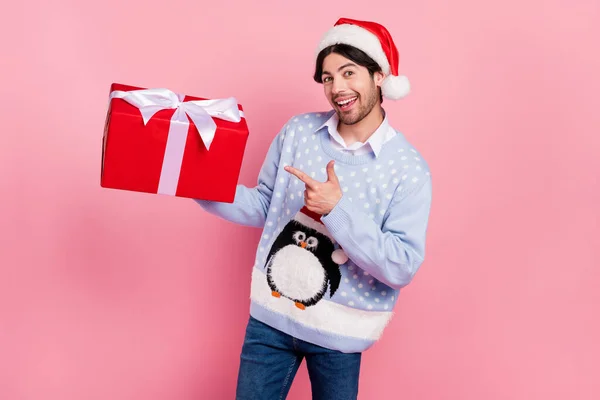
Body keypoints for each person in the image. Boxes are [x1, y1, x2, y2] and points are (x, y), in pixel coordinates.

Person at [196, 17, 432, 400]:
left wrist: (335, 209)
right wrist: (197, 185)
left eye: (348, 73)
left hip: (340, 333)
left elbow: (401, 265)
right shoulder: (297, 132)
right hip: (271, 321)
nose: (337, 88)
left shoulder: (407, 169)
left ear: (378, 76)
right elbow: (262, 205)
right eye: (327, 78)